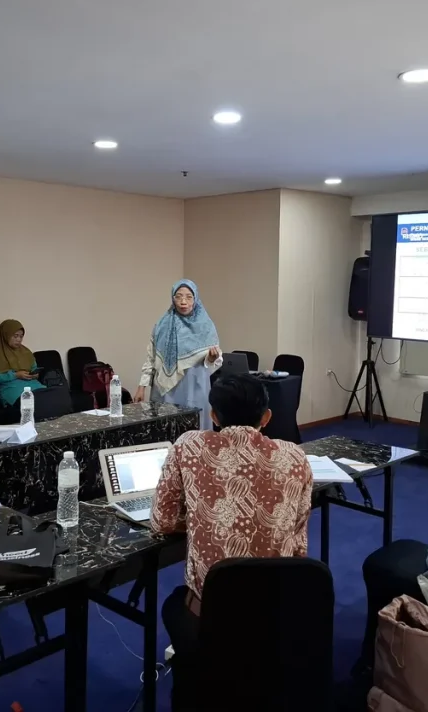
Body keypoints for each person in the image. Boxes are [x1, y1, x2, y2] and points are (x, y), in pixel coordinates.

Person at [150, 374, 313, 709]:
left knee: (173, 605)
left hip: (209, 615)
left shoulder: (189, 446)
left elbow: (163, 521)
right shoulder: (296, 457)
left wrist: (205, 519)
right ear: (267, 417)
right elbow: (298, 544)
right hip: (275, 610)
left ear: (214, 414)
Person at [134, 279, 222, 429]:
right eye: (178, 296)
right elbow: (152, 357)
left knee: (195, 431)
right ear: (172, 298)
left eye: (189, 297)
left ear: (195, 299)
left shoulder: (206, 326)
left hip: (194, 387)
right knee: (167, 430)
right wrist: (142, 386)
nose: (183, 301)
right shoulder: (162, 324)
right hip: (167, 391)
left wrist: (211, 358)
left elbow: (214, 360)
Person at [0, 318, 45, 407]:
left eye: (21, 336)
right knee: (32, 404)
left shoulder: (26, 351)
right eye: (15, 336)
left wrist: (34, 375)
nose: (19, 340)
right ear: (6, 335)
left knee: (50, 397)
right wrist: (15, 375)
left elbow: (34, 368)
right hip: (11, 388)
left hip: (32, 385)